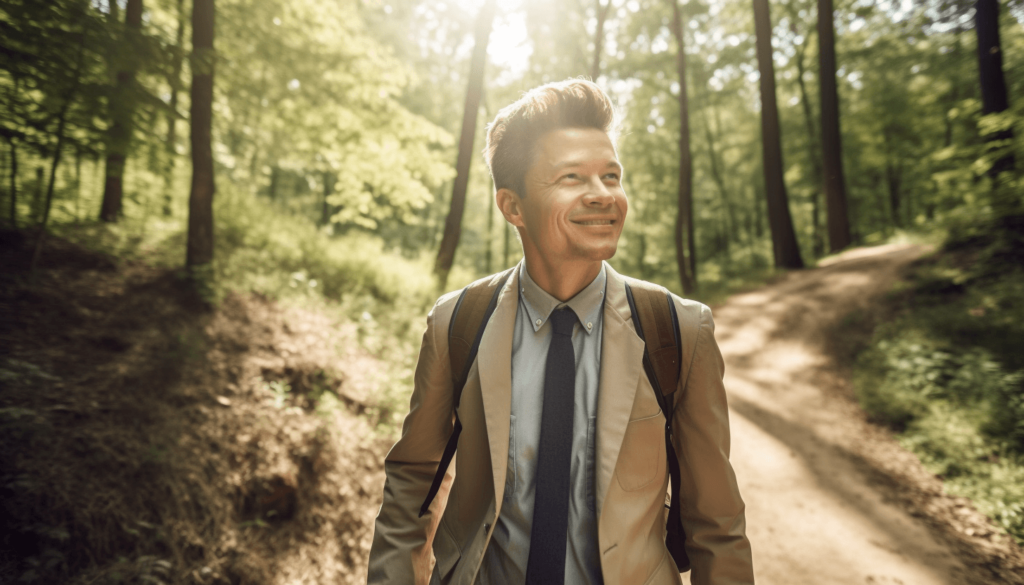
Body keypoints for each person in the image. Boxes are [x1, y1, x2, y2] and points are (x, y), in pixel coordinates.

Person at [367, 79, 754, 585]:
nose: (602, 195)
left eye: (611, 176)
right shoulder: (456, 323)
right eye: (572, 177)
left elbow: (717, 526)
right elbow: (411, 487)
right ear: (513, 207)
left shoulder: (678, 329)